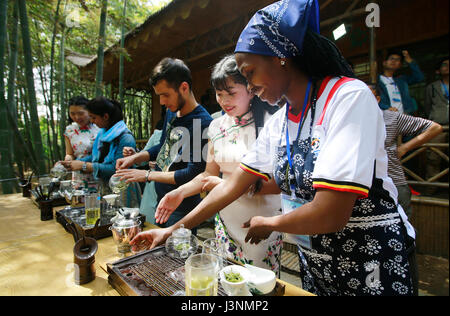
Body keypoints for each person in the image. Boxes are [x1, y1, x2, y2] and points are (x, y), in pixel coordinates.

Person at [131, 0, 418, 296]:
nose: (250, 86)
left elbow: (332, 212)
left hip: (370, 258)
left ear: (281, 57)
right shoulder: (280, 122)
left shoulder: (347, 97)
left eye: (250, 72)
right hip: (317, 261)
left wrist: (272, 222)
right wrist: (173, 230)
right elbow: (231, 186)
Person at [155, 55, 282, 272]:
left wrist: (223, 185)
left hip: (260, 223)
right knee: (226, 282)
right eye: (219, 94)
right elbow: (207, 175)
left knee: (257, 288)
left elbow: (281, 183)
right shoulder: (216, 127)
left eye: (231, 93)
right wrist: (180, 192)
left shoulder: (274, 122)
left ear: (251, 88)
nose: (223, 101)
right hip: (225, 220)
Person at [115, 58, 213, 231]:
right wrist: (137, 157)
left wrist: (147, 175)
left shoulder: (202, 123)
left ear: (184, 87)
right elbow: (163, 148)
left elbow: (192, 173)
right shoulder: (172, 112)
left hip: (182, 207)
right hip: (162, 198)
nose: (161, 102)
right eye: (159, 96)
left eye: (165, 95)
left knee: (178, 254)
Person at [368, 83, 443, 218]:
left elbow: (434, 128)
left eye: (367, 97)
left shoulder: (391, 117)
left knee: (403, 226)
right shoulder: (352, 121)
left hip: (394, 182)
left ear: (377, 99)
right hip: (366, 186)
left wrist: (405, 147)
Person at [61, 97, 136, 186]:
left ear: (105, 117)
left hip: (121, 188)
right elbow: (96, 156)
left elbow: (116, 169)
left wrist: (84, 165)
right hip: (104, 186)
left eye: (93, 117)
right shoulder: (103, 133)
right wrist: (73, 163)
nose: (92, 121)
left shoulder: (125, 138)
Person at [122, 119, 164, 223]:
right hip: (152, 186)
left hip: (171, 185)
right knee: (147, 219)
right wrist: (134, 155)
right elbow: (143, 159)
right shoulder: (157, 135)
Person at [424, 57, 449, 193]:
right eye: (444, 65)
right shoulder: (432, 87)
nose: (448, 67)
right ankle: (431, 188)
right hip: (438, 125)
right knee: (433, 157)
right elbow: (428, 106)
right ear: (438, 70)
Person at [377, 49, 424, 114]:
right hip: (386, 116)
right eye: (391, 59)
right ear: (384, 63)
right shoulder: (376, 80)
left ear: (399, 65)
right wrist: (386, 108)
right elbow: (373, 99)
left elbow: (419, 78)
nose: (394, 61)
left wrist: (410, 62)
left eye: (397, 60)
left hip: (404, 116)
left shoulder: (401, 80)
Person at [63, 96, 100, 161]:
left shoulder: (100, 127)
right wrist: (68, 159)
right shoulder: (69, 130)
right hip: (77, 167)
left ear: (89, 111)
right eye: (72, 114)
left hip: (99, 166)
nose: (76, 117)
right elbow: (70, 154)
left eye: (80, 113)